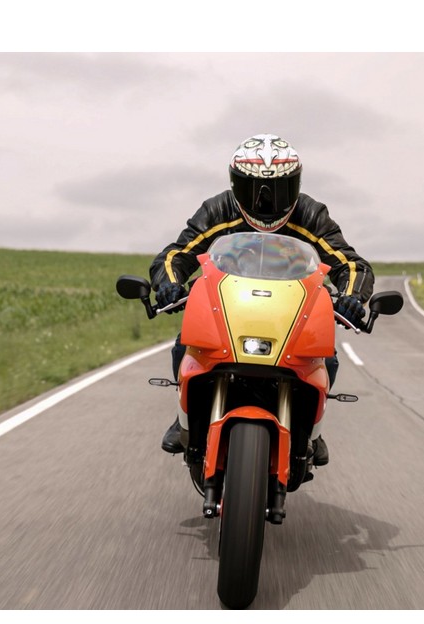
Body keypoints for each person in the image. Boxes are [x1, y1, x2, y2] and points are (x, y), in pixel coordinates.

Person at [149, 133, 375, 466]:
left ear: (295, 185)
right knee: (186, 345)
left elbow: (351, 263)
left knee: (327, 360)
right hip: (228, 307)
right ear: (235, 184)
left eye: (278, 190)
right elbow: (176, 254)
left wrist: (353, 297)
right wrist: (170, 283)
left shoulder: (311, 215)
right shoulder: (218, 209)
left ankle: (312, 430)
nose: (265, 201)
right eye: (253, 189)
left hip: (292, 313)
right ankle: (185, 414)